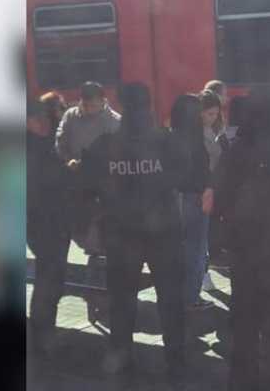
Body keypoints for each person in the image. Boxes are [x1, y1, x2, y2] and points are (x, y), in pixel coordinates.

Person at [80, 83, 190, 388]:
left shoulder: (105, 145)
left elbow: (86, 187)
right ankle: (177, 365)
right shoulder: (165, 142)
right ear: (150, 106)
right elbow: (187, 177)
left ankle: (122, 361)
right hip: (164, 233)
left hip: (120, 234)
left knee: (121, 302)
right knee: (171, 301)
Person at [214, 94, 270, 391]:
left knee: (243, 325)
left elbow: (219, 201)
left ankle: (241, 383)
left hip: (243, 254)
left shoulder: (233, 150)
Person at [27, 91, 71, 356]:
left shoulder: (46, 142)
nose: (43, 123)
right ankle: (42, 336)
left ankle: (44, 332)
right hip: (41, 220)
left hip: (54, 219)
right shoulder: (32, 147)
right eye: (36, 119)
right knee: (49, 278)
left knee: (52, 277)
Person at [54, 81, 121, 252]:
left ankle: (102, 249)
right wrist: (68, 160)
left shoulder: (114, 122)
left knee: (106, 217)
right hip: (78, 175)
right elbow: (60, 143)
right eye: (85, 104)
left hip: (106, 178)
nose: (89, 109)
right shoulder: (71, 116)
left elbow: (120, 153)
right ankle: (90, 244)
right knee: (78, 219)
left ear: (102, 101)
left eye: (93, 105)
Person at [171, 94, 216, 311]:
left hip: (174, 198)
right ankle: (191, 298)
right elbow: (201, 170)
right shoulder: (196, 137)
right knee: (196, 248)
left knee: (178, 249)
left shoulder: (172, 135)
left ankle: (176, 296)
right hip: (194, 197)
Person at [199, 90, 225, 292]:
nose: (212, 118)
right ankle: (202, 275)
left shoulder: (212, 131)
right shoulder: (200, 133)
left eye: (215, 114)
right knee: (200, 237)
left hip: (209, 188)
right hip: (202, 190)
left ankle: (203, 273)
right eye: (209, 114)